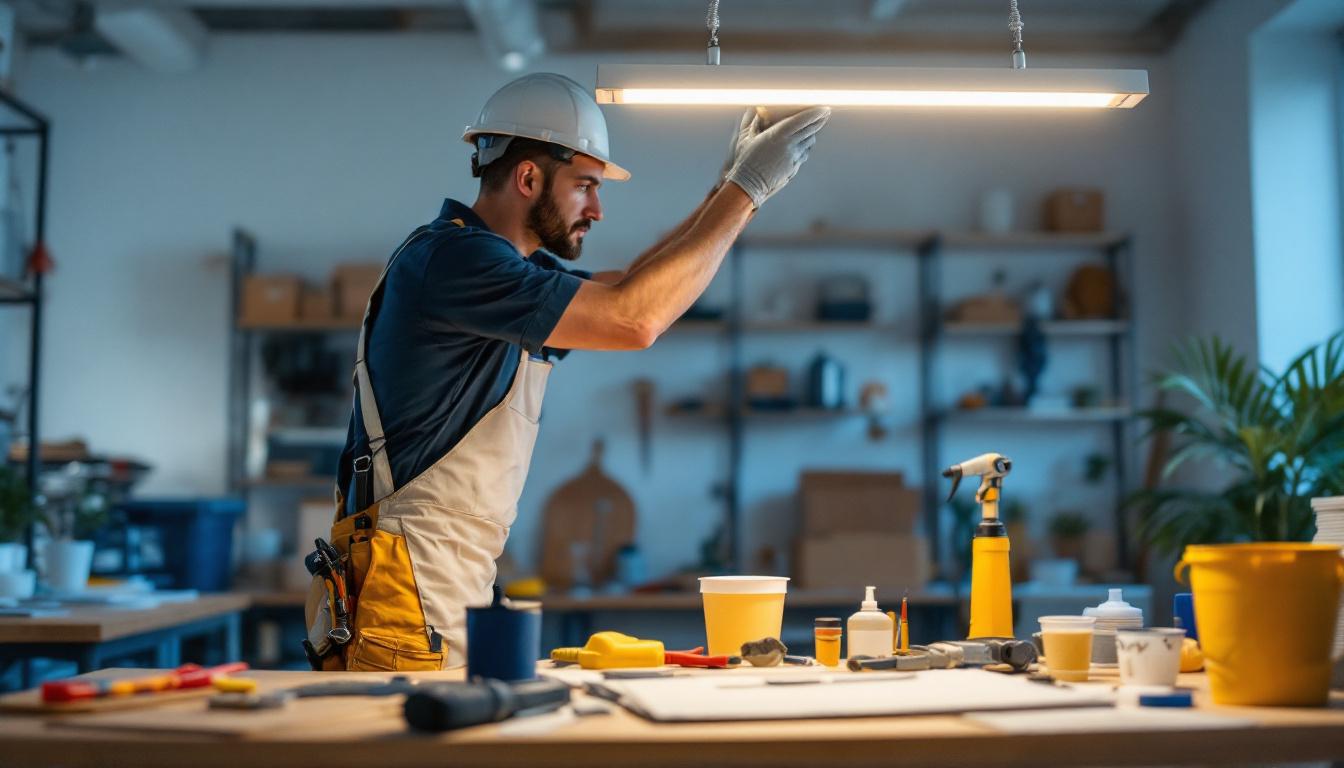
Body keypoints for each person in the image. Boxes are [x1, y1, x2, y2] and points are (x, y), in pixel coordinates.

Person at [306, 72, 830, 670]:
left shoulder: (497, 273)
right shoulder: (458, 261)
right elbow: (636, 319)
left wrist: (722, 190)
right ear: (528, 178)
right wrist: (749, 190)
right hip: (407, 591)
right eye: (585, 186)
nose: (598, 209)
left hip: (432, 586)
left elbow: (630, 288)